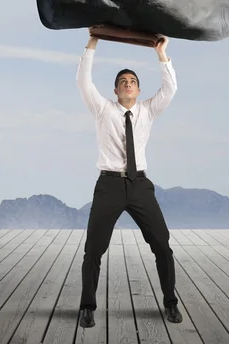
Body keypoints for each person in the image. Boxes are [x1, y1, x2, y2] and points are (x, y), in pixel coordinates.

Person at [76, 31, 183, 328]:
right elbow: (84, 83)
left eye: (133, 81)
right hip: (109, 185)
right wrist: (93, 42)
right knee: (93, 249)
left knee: (162, 244)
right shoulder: (103, 110)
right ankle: (87, 307)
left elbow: (170, 89)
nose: (128, 84)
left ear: (138, 90)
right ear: (115, 90)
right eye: (122, 81)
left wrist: (161, 54)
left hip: (140, 186)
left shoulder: (148, 110)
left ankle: (171, 303)